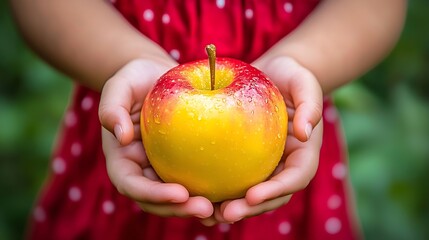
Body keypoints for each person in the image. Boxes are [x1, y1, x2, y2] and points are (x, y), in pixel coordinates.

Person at [10, 0, 406, 239]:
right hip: (133, 130)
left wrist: (304, 63)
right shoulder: (135, 115)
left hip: (282, 131)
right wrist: (124, 61)